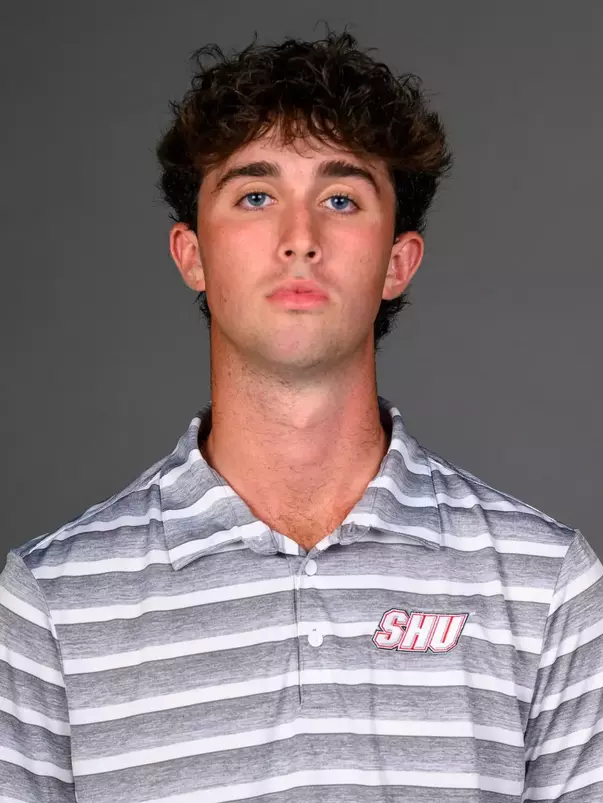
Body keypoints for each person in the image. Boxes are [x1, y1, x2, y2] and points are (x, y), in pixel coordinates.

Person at [1, 28, 602, 803]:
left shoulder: (547, 587)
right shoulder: (50, 603)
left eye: (340, 199)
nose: (299, 240)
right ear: (192, 253)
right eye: (256, 195)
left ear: (395, 261)